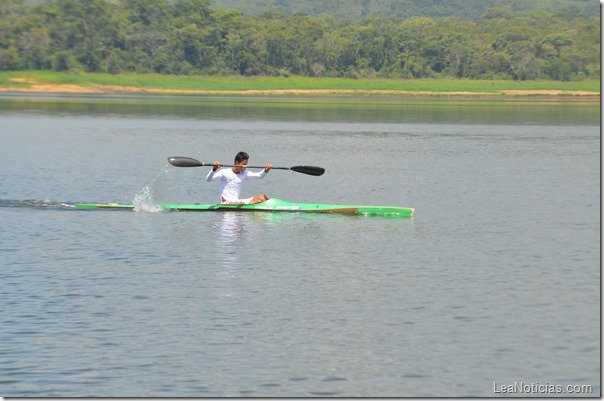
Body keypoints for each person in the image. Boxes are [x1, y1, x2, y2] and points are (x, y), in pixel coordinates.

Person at [206, 151, 272, 204]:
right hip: (226, 202)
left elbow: (259, 176)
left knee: (263, 198)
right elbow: (208, 179)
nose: (245, 166)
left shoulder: (244, 174)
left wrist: (265, 170)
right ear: (237, 163)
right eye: (243, 164)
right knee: (261, 198)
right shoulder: (224, 172)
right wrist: (214, 169)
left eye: (246, 164)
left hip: (236, 202)